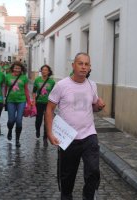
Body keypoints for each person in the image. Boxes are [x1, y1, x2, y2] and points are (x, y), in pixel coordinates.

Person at [45, 52, 105, 200]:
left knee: (93, 171)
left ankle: (88, 196)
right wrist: (50, 134)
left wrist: (99, 106)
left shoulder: (92, 85)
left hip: (89, 134)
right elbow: (49, 109)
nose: (84, 67)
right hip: (68, 137)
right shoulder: (62, 85)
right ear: (73, 65)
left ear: (90, 67)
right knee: (68, 177)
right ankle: (66, 196)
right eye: (80, 63)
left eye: (87, 64)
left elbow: (94, 108)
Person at [5, 61, 31, 147]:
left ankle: (17, 139)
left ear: (21, 69)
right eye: (15, 68)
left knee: (19, 120)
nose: (17, 69)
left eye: (19, 68)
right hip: (10, 101)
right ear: (13, 68)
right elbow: (5, 88)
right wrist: (3, 98)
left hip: (21, 101)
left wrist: (29, 102)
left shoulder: (24, 78)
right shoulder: (7, 76)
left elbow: (26, 90)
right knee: (11, 120)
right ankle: (9, 130)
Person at [32, 64, 55, 146]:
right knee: (38, 120)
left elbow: (54, 94)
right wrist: (34, 100)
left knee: (47, 120)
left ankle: (45, 137)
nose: (44, 71)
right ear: (41, 71)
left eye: (46, 70)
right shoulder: (37, 80)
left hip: (48, 103)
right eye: (43, 70)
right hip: (39, 102)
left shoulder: (52, 82)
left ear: (48, 72)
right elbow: (34, 91)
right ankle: (37, 130)